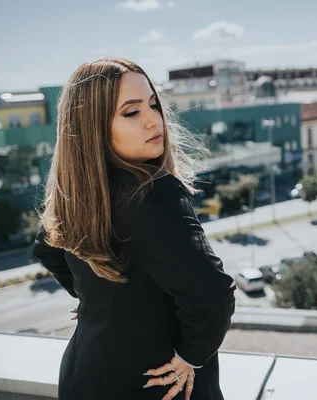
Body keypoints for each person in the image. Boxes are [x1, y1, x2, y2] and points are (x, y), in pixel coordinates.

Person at [33, 58, 236, 400]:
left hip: (84, 375)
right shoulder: (154, 194)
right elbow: (213, 297)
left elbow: (46, 248)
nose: (154, 120)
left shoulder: (74, 195)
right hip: (152, 384)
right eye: (131, 112)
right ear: (93, 127)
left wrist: (95, 302)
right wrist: (190, 357)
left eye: (153, 105)